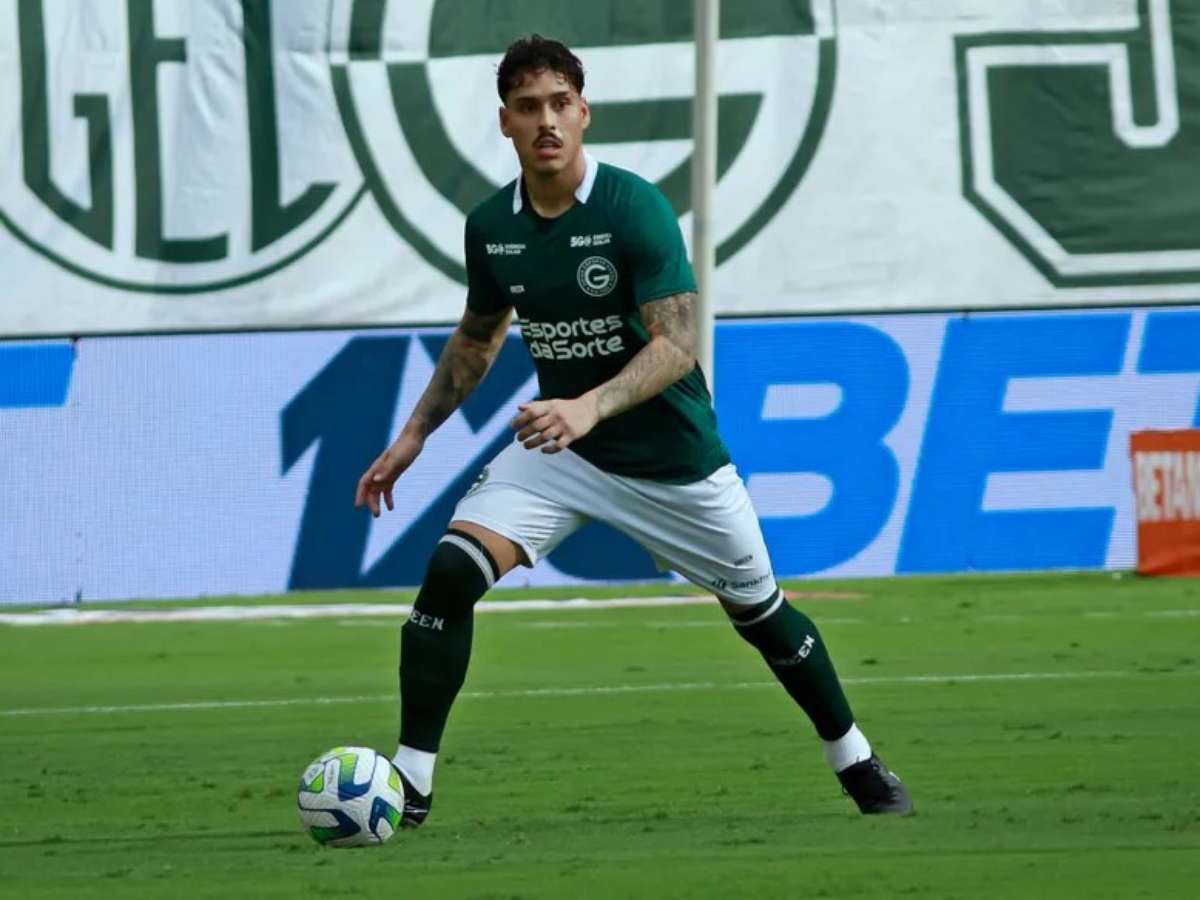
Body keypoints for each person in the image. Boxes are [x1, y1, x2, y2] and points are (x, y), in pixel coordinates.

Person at [355, 34, 912, 826]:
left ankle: (854, 758)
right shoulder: (491, 228)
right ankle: (409, 785)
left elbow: (678, 344)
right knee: (450, 571)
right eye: (527, 108)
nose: (546, 121)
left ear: (584, 112)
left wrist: (588, 405)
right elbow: (478, 337)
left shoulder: (633, 208)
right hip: (564, 453)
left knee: (762, 616)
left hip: (672, 461)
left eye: (559, 104)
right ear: (506, 123)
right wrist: (415, 435)